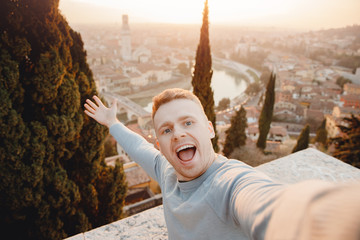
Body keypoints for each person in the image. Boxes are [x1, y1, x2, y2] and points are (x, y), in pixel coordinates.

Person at [84, 88, 360, 240]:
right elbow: (138, 147)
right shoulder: (165, 170)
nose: (178, 133)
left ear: (210, 130)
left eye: (188, 122)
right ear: (161, 146)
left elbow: (272, 206)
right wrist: (112, 123)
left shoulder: (229, 182)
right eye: (166, 130)